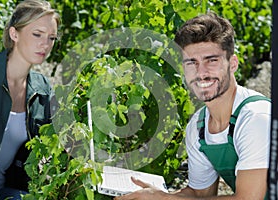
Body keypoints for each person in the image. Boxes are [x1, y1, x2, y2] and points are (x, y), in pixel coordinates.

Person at [115, 12, 271, 200]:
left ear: (233, 64)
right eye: (192, 63)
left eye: (211, 60)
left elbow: (248, 199)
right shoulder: (198, 127)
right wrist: (155, 195)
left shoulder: (255, 117)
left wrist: (166, 199)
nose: (201, 72)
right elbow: (200, 194)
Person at [0, 0, 61, 199]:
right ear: (14, 34)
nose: (45, 44)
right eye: (37, 34)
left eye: (51, 38)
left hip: (1, 192)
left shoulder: (42, 88)